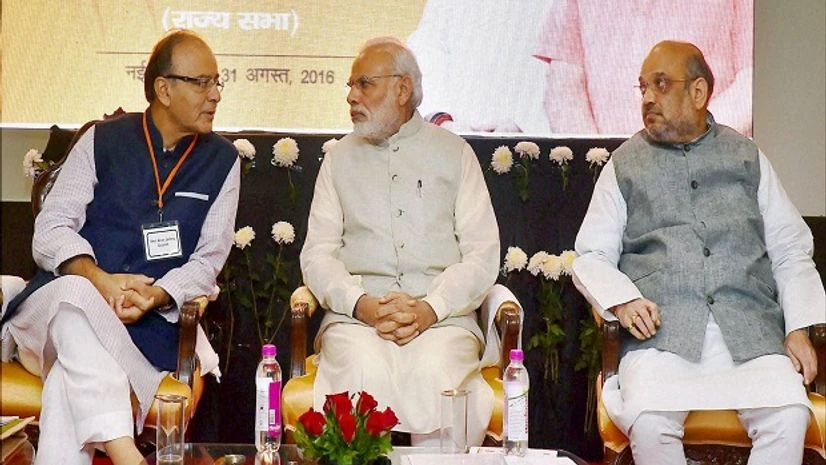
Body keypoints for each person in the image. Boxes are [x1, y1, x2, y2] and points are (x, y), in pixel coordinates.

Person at [572, 40, 824, 465]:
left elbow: (790, 251)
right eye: (643, 87)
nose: (648, 98)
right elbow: (591, 254)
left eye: (661, 84)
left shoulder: (747, 157)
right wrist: (624, 298)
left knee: (788, 415)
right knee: (650, 421)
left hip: (750, 335)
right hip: (663, 340)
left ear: (699, 92)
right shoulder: (625, 163)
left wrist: (798, 327)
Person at [0, 29, 240, 465]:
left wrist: (157, 293)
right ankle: (123, 451)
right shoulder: (103, 139)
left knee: (65, 389)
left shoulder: (222, 161)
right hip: (54, 321)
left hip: (145, 332)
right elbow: (50, 228)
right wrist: (100, 282)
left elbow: (209, 259)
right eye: (202, 82)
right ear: (163, 89)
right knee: (76, 296)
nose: (215, 95)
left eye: (217, 82)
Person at [300, 37, 500, 446]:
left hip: (443, 320)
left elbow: (482, 254)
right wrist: (361, 305)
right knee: (360, 366)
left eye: (364, 84)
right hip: (357, 321)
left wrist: (431, 308)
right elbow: (318, 254)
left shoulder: (454, 152)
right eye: (350, 86)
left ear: (402, 89)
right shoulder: (338, 158)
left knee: (437, 369)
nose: (352, 96)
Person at [535, 0, 753, 136]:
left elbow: (754, 85)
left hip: (708, 175)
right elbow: (564, 90)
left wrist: (687, 144)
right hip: (609, 182)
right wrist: (600, 162)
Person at [406, 0, 551, 134]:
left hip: (540, 139)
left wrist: (528, 125)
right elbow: (427, 49)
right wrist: (441, 119)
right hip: (456, 136)